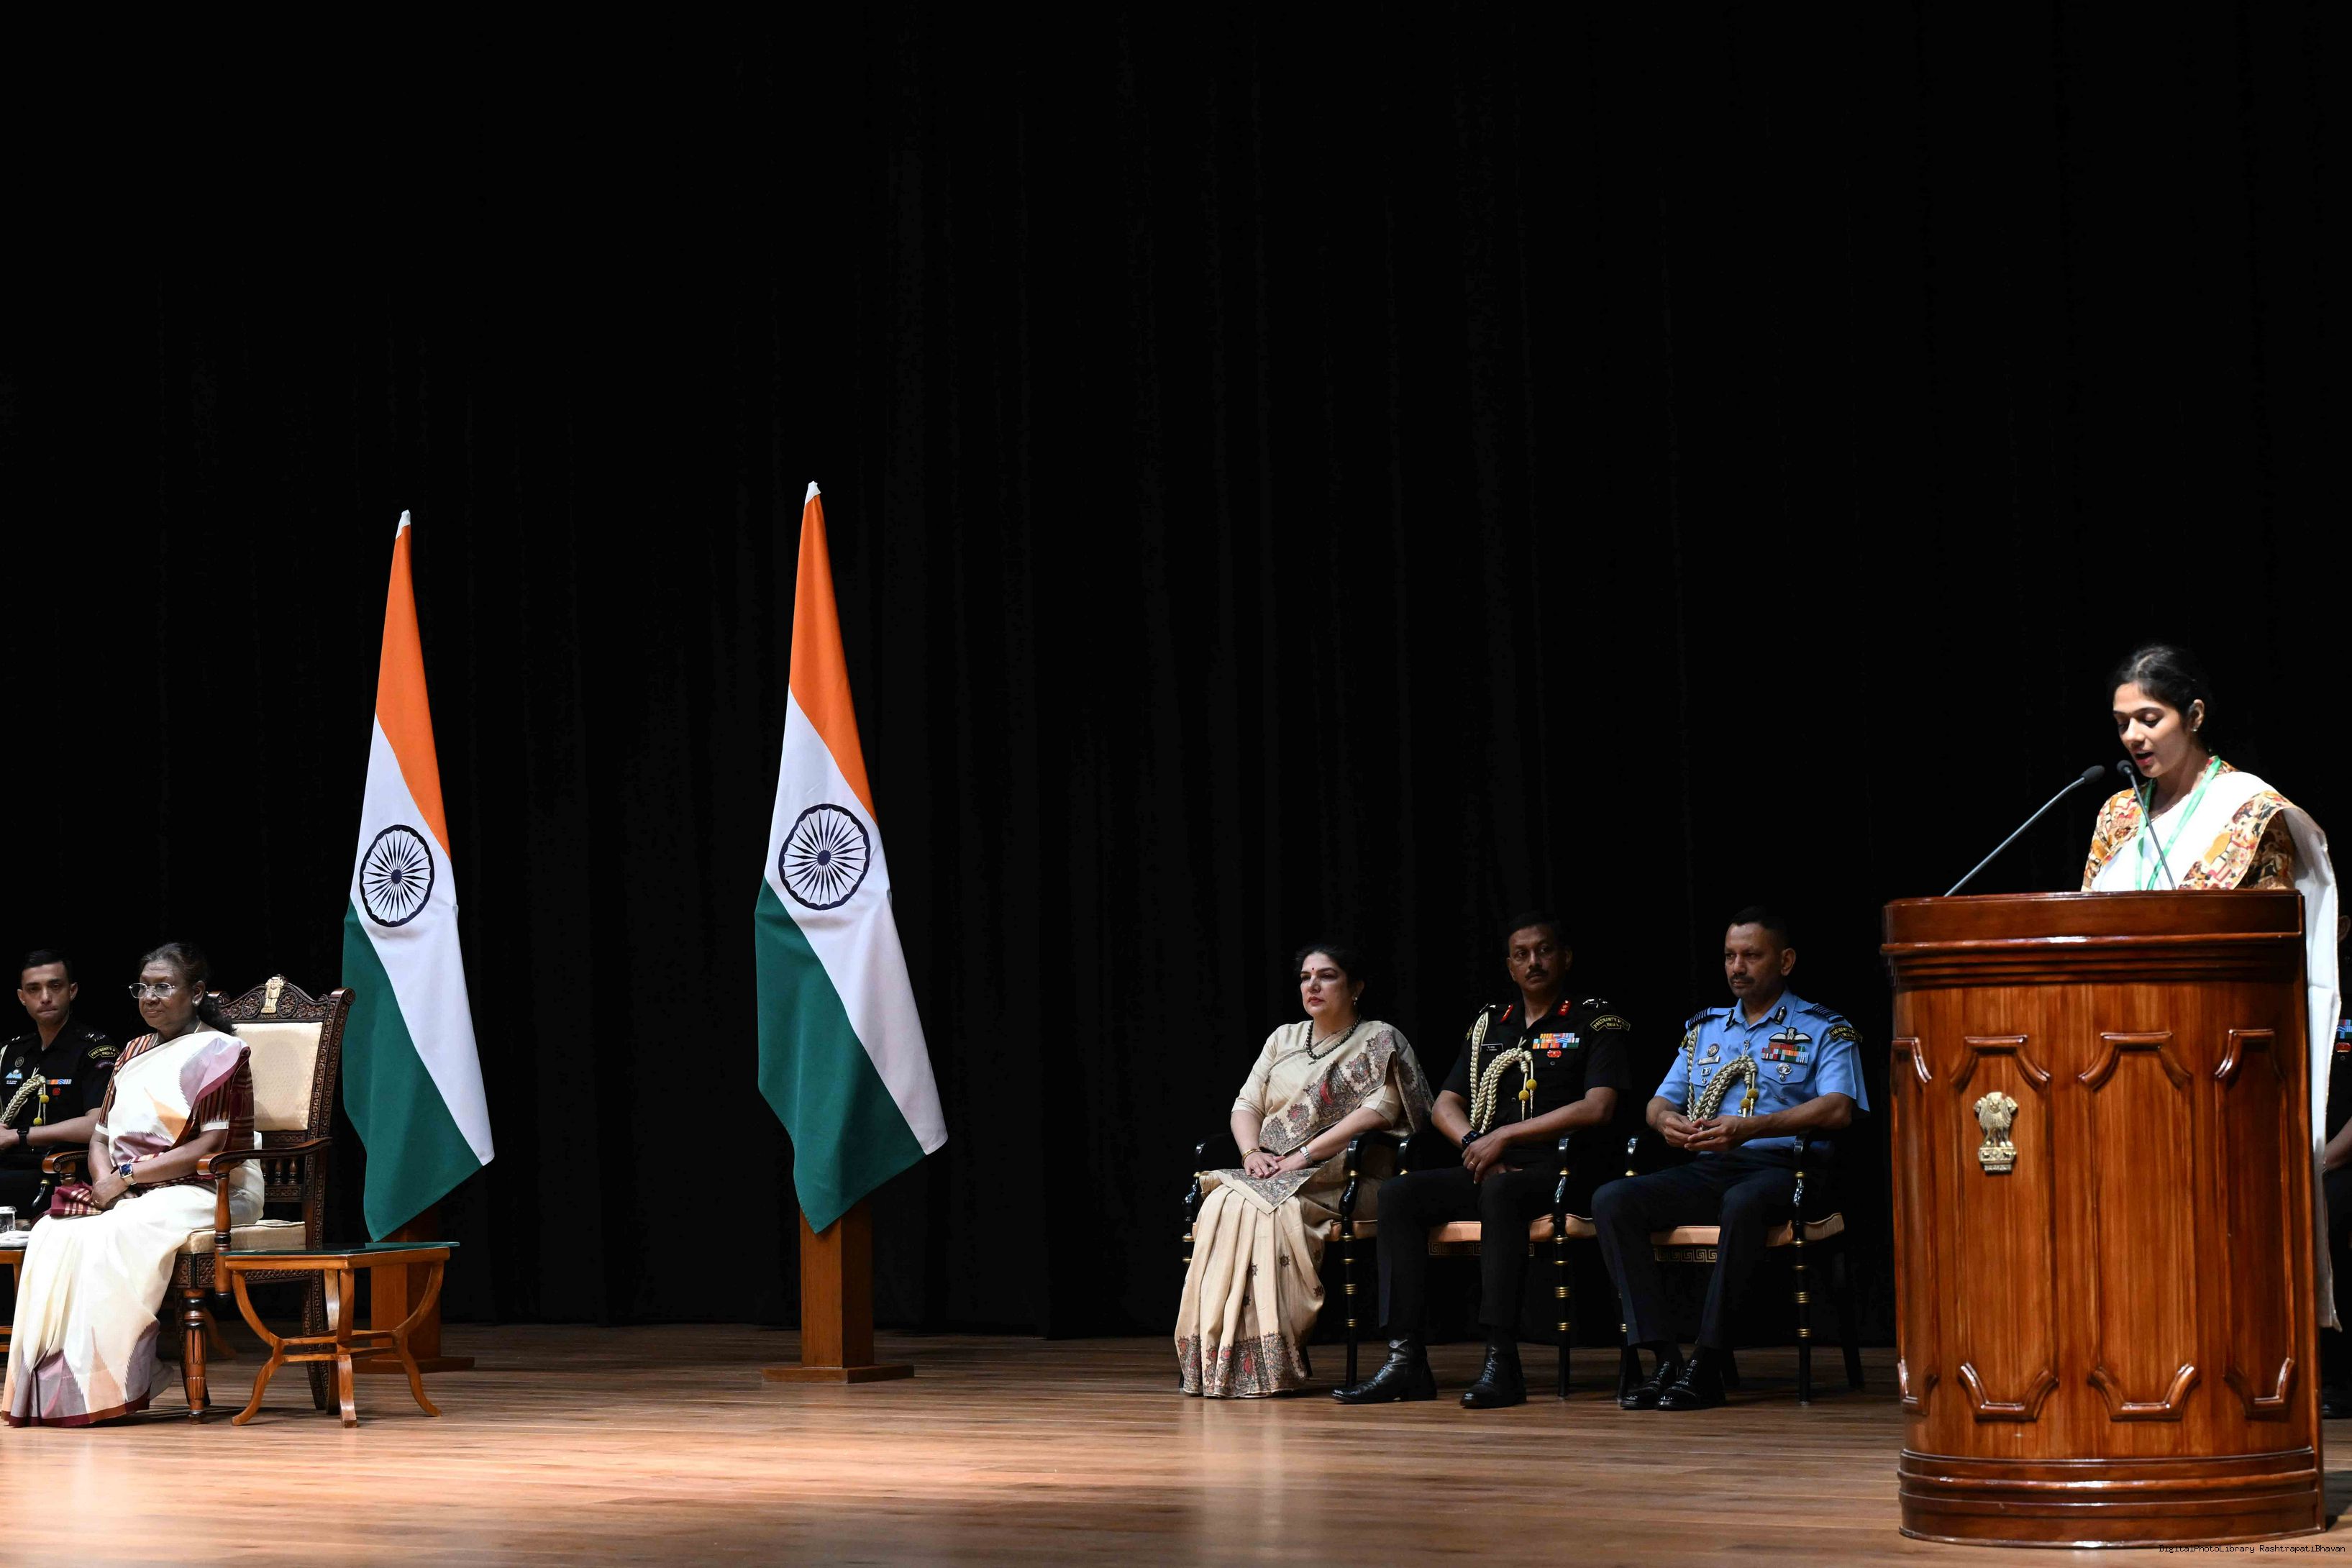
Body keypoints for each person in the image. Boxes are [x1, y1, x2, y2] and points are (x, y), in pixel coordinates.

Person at [2085, 644, 2341, 1328]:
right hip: (2111, 1055)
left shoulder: (2250, 810)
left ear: (2194, 715)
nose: (2133, 736)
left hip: (2218, 1062)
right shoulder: (2117, 816)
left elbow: (2272, 953)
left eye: (2150, 718)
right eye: (2122, 723)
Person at [1334, 913, 1633, 1410]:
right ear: (1510, 966)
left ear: (1565, 958)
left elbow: (1598, 1106)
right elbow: (1444, 1104)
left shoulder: (1594, 1020)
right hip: (1490, 1164)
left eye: (1543, 951)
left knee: (1501, 1191)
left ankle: (1502, 1358)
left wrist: (1504, 1137)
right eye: (1521, 955)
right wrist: (1476, 1143)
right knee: (1399, 1194)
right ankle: (1406, 1359)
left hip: (1564, 1170)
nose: (1533, 962)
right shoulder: (1492, 1023)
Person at [1592, 906, 1866, 1411]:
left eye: (1751, 956)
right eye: (1729, 956)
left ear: (1785, 961)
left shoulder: (1823, 1027)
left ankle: (1709, 1362)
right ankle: (1664, 1357)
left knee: (1743, 1202)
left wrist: (1753, 1128)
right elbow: (1659, 1101)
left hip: (1788, 1169)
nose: (1737, 967)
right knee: (1613, 1199)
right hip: (1711, 1167)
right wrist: (1665, 1122)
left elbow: (1838, 1108)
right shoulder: (1706, 1030)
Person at [4, 942, 262, 1426]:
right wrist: (106, 1182)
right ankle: (62, 1386)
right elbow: (101, 1136)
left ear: (196, 992)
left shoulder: (220, 1052)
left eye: (163, 987)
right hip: (135, 1191)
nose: (150, 998)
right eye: (142, 988)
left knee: (116, 1231)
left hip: (211, 1188)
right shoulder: (133, 1051)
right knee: (53, 1233)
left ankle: (115, 1378)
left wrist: (124, 1179)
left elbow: (207, 1146)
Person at [1175, 942, 1432, 1398]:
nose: (1312, 985)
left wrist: (1302, 1158)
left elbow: (1379, 1112)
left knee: (1262, 1208)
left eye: (1327, 976)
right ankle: (1218, 1360)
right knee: (1224, 1202)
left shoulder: (1379, 1039)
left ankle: (1271, 1361)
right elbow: (1246, 1105)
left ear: (1356, 987)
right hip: (1271, 1174)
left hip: (1348, 1179)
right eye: (1305, 977)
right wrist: (1251, 1153)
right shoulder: (1284, 1039)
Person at [1, 952, 119, 1218]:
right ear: (22, 997)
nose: (45, 997)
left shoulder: (94, 1049)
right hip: (9, 1166)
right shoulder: (11, 1052)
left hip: (60, 1171)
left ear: (72, 991)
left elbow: (98, 1124)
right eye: (34, 989)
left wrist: (20, 1135)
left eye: (55, 986)